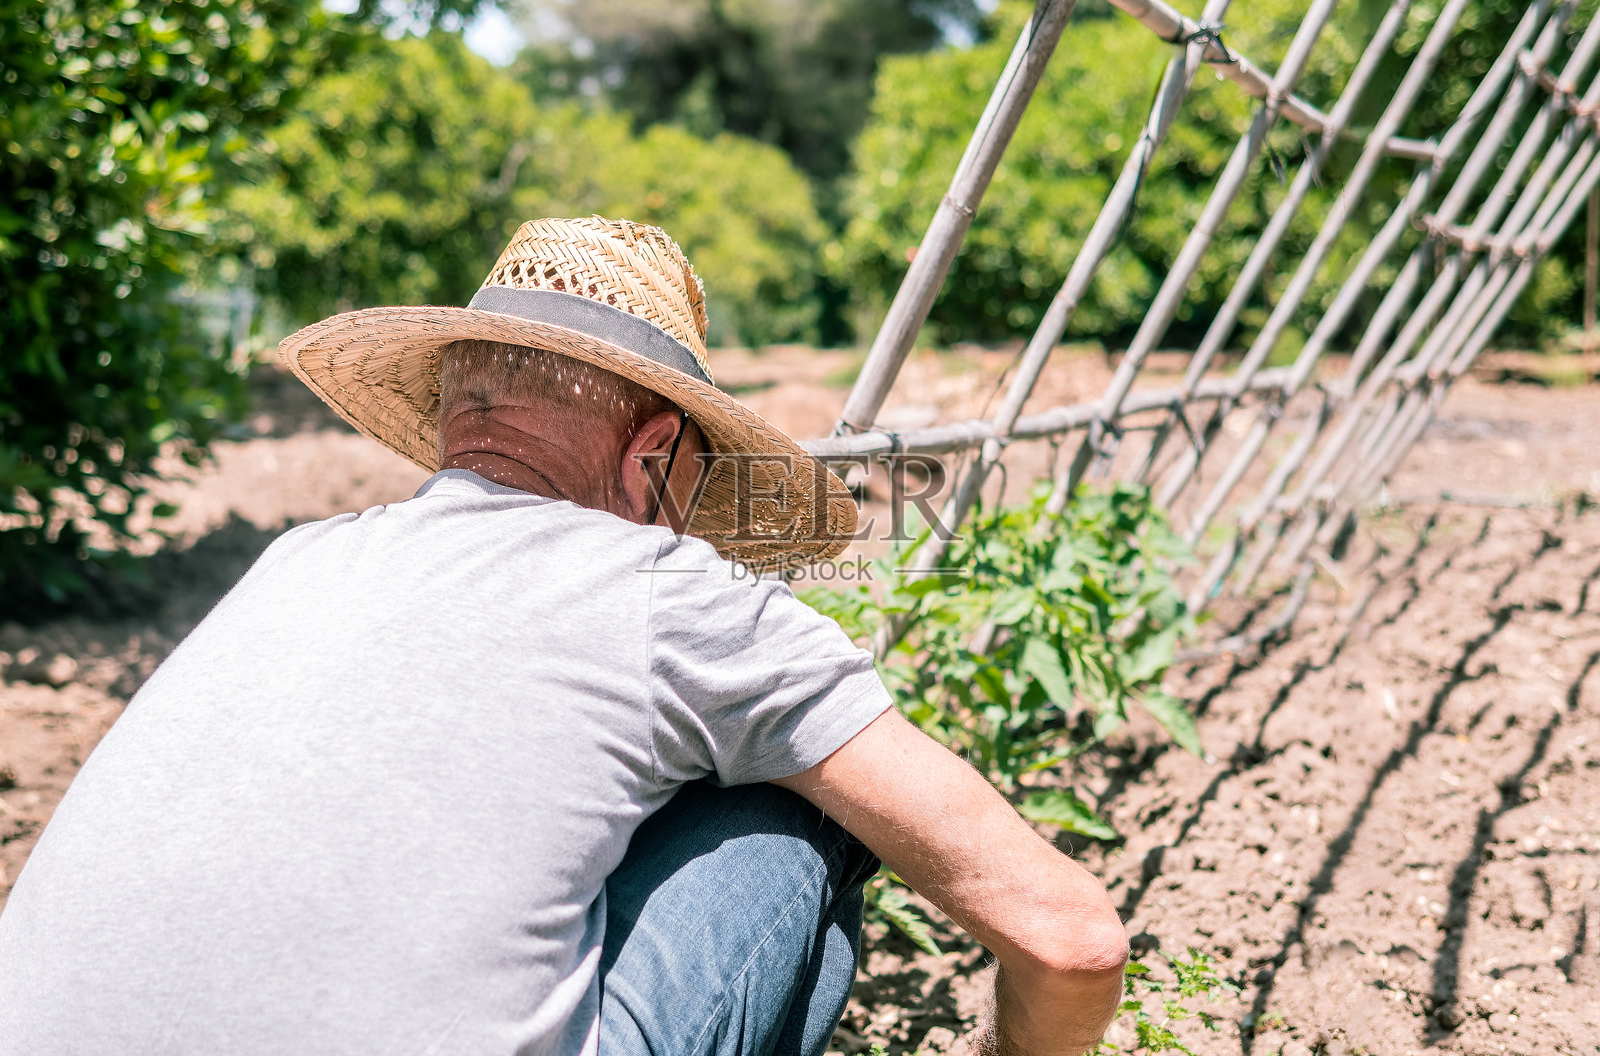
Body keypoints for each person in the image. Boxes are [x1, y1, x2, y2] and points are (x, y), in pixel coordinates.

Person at [0, 217, 1127, 1056]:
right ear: (653, 459)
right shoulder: (668, 591)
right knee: (800, 798)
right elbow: (1069, 934)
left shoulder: (295, 559)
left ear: (454, 418)